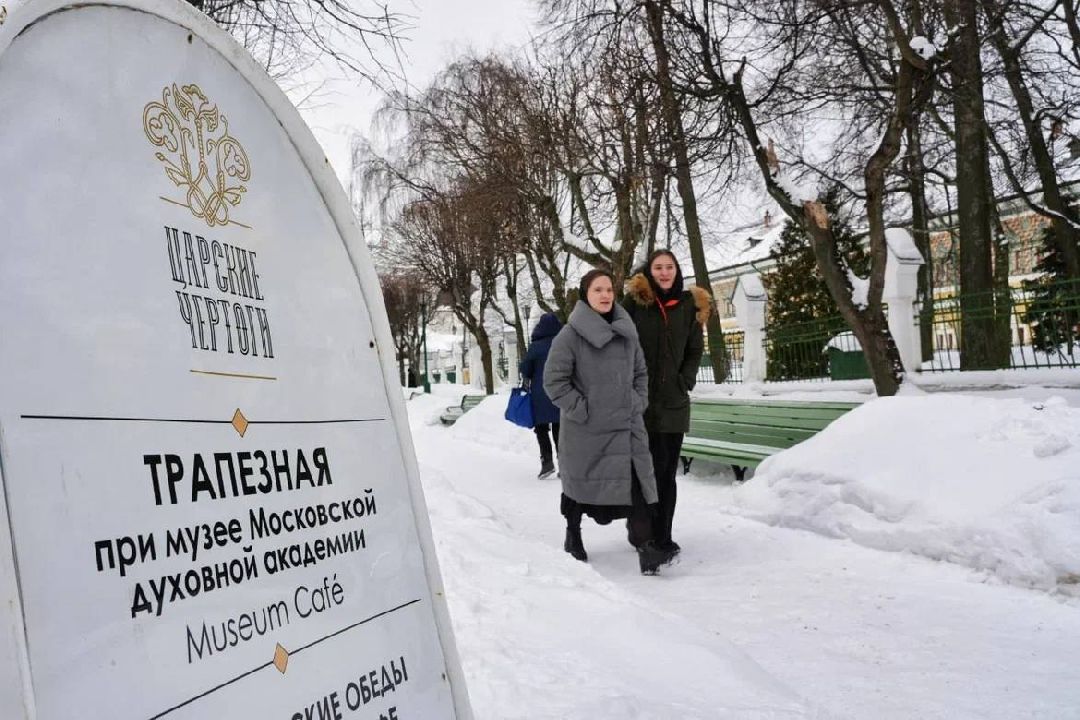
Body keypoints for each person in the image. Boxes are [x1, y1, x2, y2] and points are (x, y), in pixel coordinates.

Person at [544, 268, 674, 575]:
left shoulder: (627, 332)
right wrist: (583, 410)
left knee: (637, 484)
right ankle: (573, 534)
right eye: (597, 290)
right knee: (580, 488)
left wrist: (637, 401)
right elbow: (554, 381)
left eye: (609, 290)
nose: (605, 295)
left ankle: (646, 548)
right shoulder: (570, 335)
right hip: (587, 431)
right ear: (585, 296)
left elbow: (641, 373)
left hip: (627, 426)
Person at [623, 249, 710, 557]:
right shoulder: (634, 304)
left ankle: (663, 536)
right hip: (639, 404)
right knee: (640, 472)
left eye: (669, 267)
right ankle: (641, 531)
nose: (663, 272)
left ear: (676, 271)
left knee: (665, 474)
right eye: (658, 267)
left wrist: (684, 380)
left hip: (673, 403)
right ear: (649, 272)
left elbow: (695, 349)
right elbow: (619, 344)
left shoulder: (687, 305)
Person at [518, 312, 563, 478]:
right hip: (560, 391)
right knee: (560, 429)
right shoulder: (563, 343)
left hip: (540, 393)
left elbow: (525, 368)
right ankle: (564, 466)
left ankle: (547, 462)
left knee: (541, 429)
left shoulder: (536, 346)